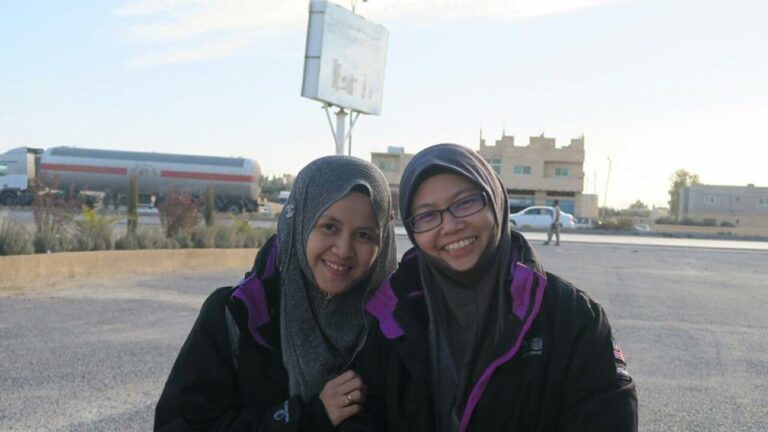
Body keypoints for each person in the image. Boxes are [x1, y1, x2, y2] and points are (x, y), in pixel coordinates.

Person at [365, 144, 637, 431]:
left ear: (495, 200)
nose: (451, 225)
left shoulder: (573, 316)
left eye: (466, 202)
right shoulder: (391, 314)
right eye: (427, 215)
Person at [155, 156, 397, 431]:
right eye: (330, 227)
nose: (343, 250)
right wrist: (303, 419)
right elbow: (180, 424)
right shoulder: (239, 315)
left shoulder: (395, 328)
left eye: (364, 235)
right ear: (299, 223)